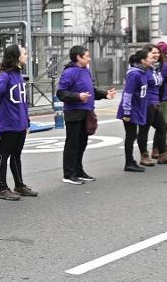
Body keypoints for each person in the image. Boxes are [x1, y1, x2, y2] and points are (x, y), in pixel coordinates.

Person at [0, 44, 36, 200]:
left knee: (16, 155)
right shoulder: (4, 76)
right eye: (24, 53)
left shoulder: (18, 75)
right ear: (16, 57)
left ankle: (19, 185)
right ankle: (2, 188)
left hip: (20, 123)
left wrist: (27, 122)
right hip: (9, 122)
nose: (27, 56)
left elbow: (23, 102)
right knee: (4, 155)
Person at [56, 45, 115, 185]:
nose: (89, 58)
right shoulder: (69, 72)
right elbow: (61, 93)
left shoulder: (85, 71)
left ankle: (78, 170)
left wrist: (105, 94)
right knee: (72, 144)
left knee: (82, 143)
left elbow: (91, 91)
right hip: (74, 112)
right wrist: (78, 96)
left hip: (86, 111)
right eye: (87, 56)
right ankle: (69, 174)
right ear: (78, 57)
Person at [118, 48, 153, 172]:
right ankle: (129, 162)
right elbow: (128, 94)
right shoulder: (134, 74)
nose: (152, 59)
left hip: (137, 108)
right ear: (143, 61)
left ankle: (130, 161)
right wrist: (127, 112)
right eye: (149, 58)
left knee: (133, 135)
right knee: (131, 135)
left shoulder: (143, 72)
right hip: (130, 110)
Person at [139, 45, 167, 165]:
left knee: (162, 127)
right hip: (147, 104)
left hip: (156, 103)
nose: (156, 55)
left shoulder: (155, 68)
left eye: (158, 53)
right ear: (146, 56)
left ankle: (162, 154)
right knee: (144, 130)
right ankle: (144, 156)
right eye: (153, 53)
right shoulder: (143, 69)